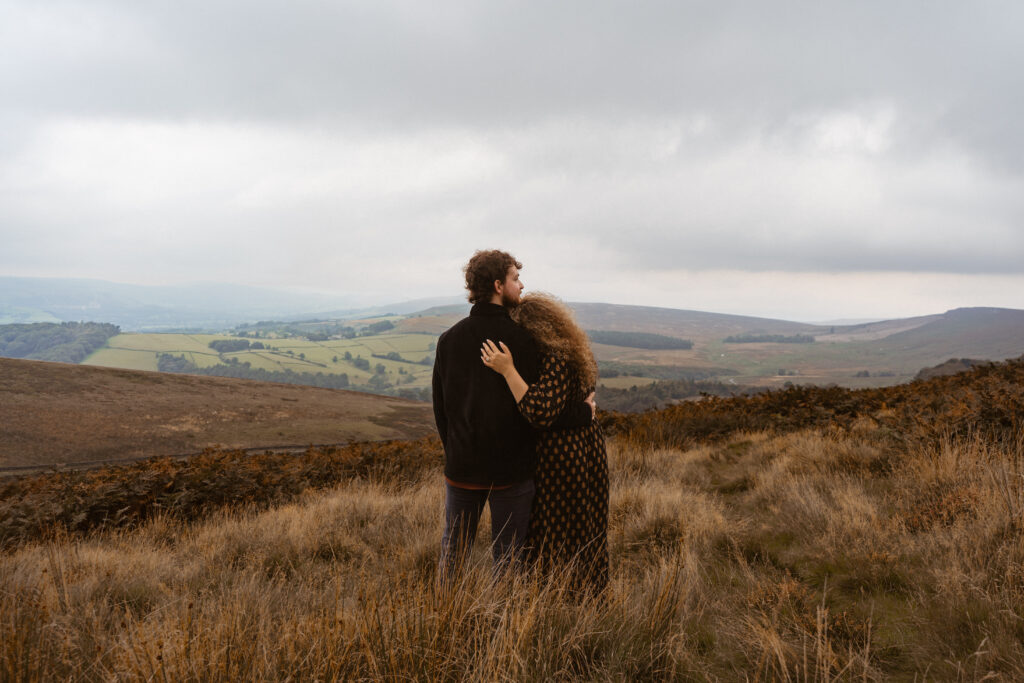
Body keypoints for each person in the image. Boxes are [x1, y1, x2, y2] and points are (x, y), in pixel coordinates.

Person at [432, 251, 595, 579]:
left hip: (461, 467)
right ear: (497, 285)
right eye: (514, 278)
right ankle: (502, 626)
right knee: (507, 557)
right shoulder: (524, 342)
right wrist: (583, 412)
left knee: (453, 551)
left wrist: (455, 453)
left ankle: (443, 620)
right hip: (512, 472)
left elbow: (441, 408)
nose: (521, 285)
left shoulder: (448, 340)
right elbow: (539, 409)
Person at [481, 292, 610, 594]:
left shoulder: (555, 357)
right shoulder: (576, 351)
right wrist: (582, 413)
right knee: (586, 525)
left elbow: (540, 410)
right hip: (586, 450)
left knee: (555, 532)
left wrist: (508, 370)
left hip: (560, 457)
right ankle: (588, 596)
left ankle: (557, 599)